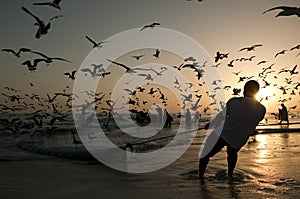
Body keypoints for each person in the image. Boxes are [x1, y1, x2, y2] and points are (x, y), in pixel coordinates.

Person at [199, 80, 266, 178]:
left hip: (222, 134)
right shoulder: (262, 109)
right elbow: (253, 124)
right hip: (238, 139)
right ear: (257, 92)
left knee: (205, 154)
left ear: (245, 90)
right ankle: (230, 175)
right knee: (232, 152)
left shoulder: (234, 101)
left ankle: (200, 177)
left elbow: (221, 117)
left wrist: (210, 124)